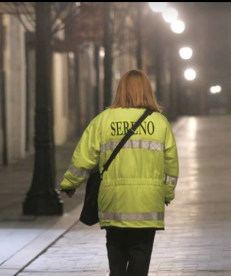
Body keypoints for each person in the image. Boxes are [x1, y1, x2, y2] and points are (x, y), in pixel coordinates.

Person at [60, 69, 179, 276]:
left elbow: (83, 157)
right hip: (147, 205)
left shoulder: (103, 120)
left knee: (116, 264)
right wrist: (167, 193)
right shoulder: (160, 123)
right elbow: (171, 165)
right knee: (139, 262)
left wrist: (70, 183)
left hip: (114, 203)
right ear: (147, 91)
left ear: (121, 90)